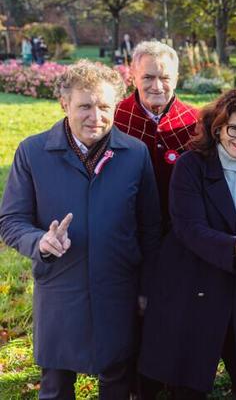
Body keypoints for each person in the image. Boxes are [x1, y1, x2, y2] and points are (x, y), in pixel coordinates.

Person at [0, 60, 162, 399]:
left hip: (118, 288)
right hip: (60, 286)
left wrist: (146, 287)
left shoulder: (135, 154)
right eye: (85, 106)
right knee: (56, 384)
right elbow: (11, 221)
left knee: (117, 376)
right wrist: (39, 241)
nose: (96, 116)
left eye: (104, 106)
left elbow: (150, 228)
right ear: (64, 103)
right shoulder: (33, 152)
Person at [138, 89, 236, 399]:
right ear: (217, 126)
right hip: (193, 278)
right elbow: (188, 228)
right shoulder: (190, 165)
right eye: (235, 129)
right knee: (188, 379)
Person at [115, 40, 198, 231]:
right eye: (148, 77)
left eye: (165, 78)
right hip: (126, 226)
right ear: (134, 77)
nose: (157, 86)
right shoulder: (113, 118)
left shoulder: (197, 121)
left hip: (181, 227)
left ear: (176, 79)